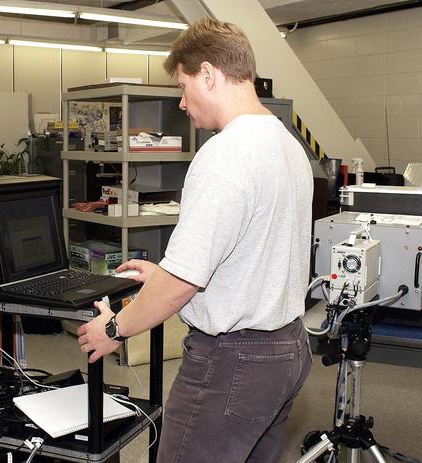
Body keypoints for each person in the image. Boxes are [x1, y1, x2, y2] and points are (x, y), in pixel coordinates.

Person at [77, 17, 313, 462]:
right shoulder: (286, 143)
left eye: (184, 87)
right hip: (286, 351)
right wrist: (163, 274)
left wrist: (114, 329)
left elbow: (184, 282)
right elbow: (256, 253)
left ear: (208, 74)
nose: (183, 104)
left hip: (233, 364)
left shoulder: (224, 154)